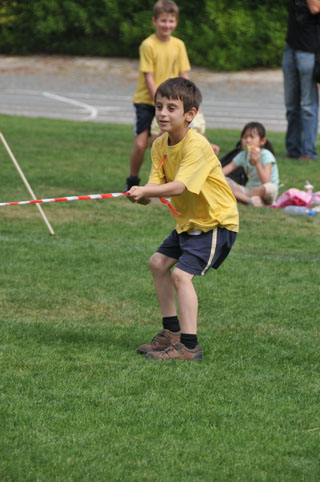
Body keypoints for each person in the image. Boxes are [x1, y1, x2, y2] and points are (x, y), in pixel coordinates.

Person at [127, 77, 239, 361]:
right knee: (158, 263)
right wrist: (140, 196)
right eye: (159, 106)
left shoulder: (196, 146)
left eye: (171, 108)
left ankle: (189, 347)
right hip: (188, 223)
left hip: (215, 222)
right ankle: (171, 333)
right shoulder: (159, 146)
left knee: (181, 275)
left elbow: (179, 186)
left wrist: (147, 190)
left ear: (190, 115)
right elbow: (155, 186)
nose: (162, 113)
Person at [125, 0, 191, 192]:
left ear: (176, 22)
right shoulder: (148, 45)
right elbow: (149, 77)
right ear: (154, 21)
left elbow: (183, 75)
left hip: (171, 102)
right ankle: (132, 180)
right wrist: (158, 102)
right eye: (163, 21)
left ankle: (165, 183)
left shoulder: (179, 45)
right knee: (140, 144)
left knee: (167, 141)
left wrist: (188, 100)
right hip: (147, 101)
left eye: (171, 21)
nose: (167, 25)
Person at [282, 0, 320, 160]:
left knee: (307, 105)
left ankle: (308, 151)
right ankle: (293, 149)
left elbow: (315, 7)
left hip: (309, 50)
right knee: (291, 104)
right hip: (291, 47)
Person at [222, 122, 279, 207]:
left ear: (263, 141)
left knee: (270, 188)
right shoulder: (243, 155)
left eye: (252, 137)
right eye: (245, 137)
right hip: (249, 189)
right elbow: (223, 171)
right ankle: (250, 200)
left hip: (266, 191)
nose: (248, 140)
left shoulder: (266, 155)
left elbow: (266, 181)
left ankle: (243, 198)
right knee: (223, 180)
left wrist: (257, 163)